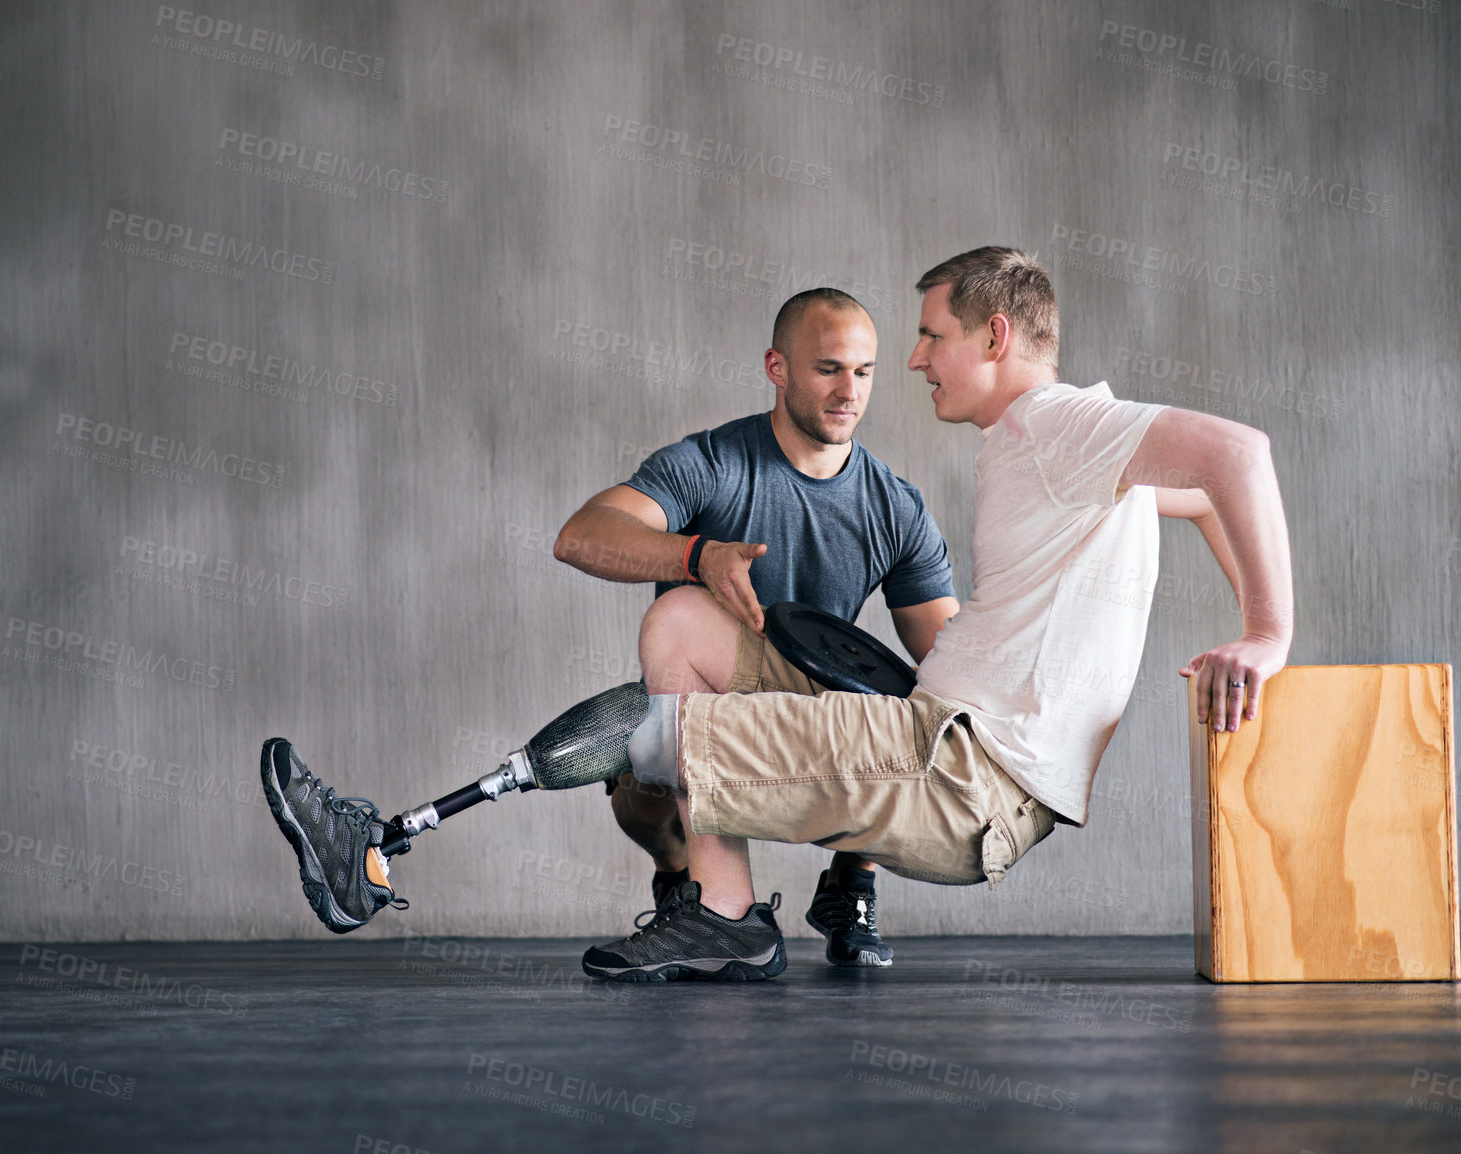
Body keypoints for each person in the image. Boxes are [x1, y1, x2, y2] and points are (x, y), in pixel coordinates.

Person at [260, 246, 1294, 982]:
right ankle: (719, 905)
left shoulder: (1056, 423)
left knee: (664, 730)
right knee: (679, 628)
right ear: (778, 370)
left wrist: (1263, 632)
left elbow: (1234, 457)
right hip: (929, 736)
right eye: (842, 363)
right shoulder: (1034, 449)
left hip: (960, 769)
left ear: (992, 333)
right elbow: (1199, 493)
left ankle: (389, 840)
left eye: (924, 339)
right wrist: (698, 556)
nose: (909, 365)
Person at [549, 286, 960, 967]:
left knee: (904, 704)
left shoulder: (894, 506)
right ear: (778, 368)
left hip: (812, 711)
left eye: (863, 372)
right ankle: (692, 880)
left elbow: (945, 660)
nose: (847, 391)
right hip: (706, 693)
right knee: (637, 787)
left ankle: (851, 884)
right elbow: (580, 536)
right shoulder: (712, 464)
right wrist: (697, 554)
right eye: (828, 368)